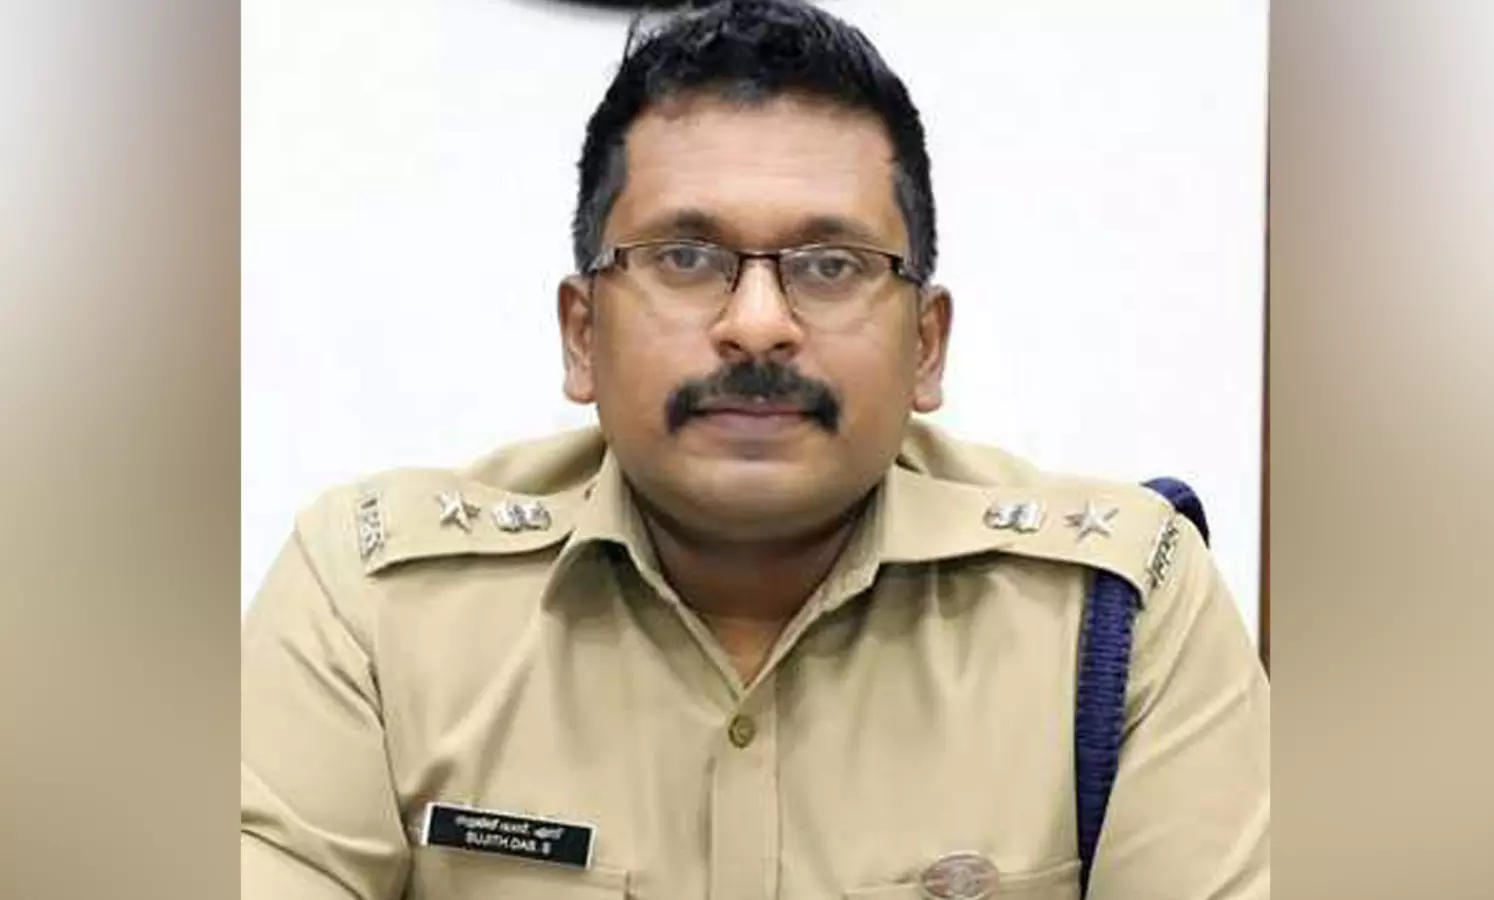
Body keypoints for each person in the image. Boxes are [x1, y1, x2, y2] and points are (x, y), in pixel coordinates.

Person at [240, 2, 1270, 898]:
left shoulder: (1117, 615)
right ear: (582, 335)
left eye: (832, 264)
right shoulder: (375, 607)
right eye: (686, 258)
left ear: (927, 345)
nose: (759, 325)